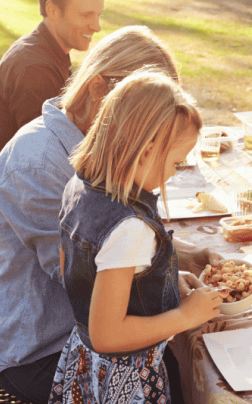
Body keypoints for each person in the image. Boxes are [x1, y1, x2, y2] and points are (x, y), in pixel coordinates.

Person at [0, 26, 217, 404]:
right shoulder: (38, 162)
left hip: (87, 334)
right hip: (39, 347)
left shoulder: (95, 167)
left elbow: (109, 253)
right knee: (185, 369)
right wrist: (168, 289)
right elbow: (82, 275)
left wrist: (179, 258)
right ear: (100, 90)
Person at [50, 70, 224, 404]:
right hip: (124, 378)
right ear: (146, 151)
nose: (175, 172)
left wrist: (164, 281)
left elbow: (74, 271)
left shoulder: (80, 186)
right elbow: (108, 334)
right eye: (175, 162)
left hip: (86, 364)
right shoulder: (130, 227)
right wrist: (185, 317)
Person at [0, 0, 108, 267]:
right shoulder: (34, 69)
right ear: (53, 11)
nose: (96, 26)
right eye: (86, 15)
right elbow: (46, 164)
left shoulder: (51, 52)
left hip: (23, 214)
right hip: (9, 228)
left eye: (99, 14)